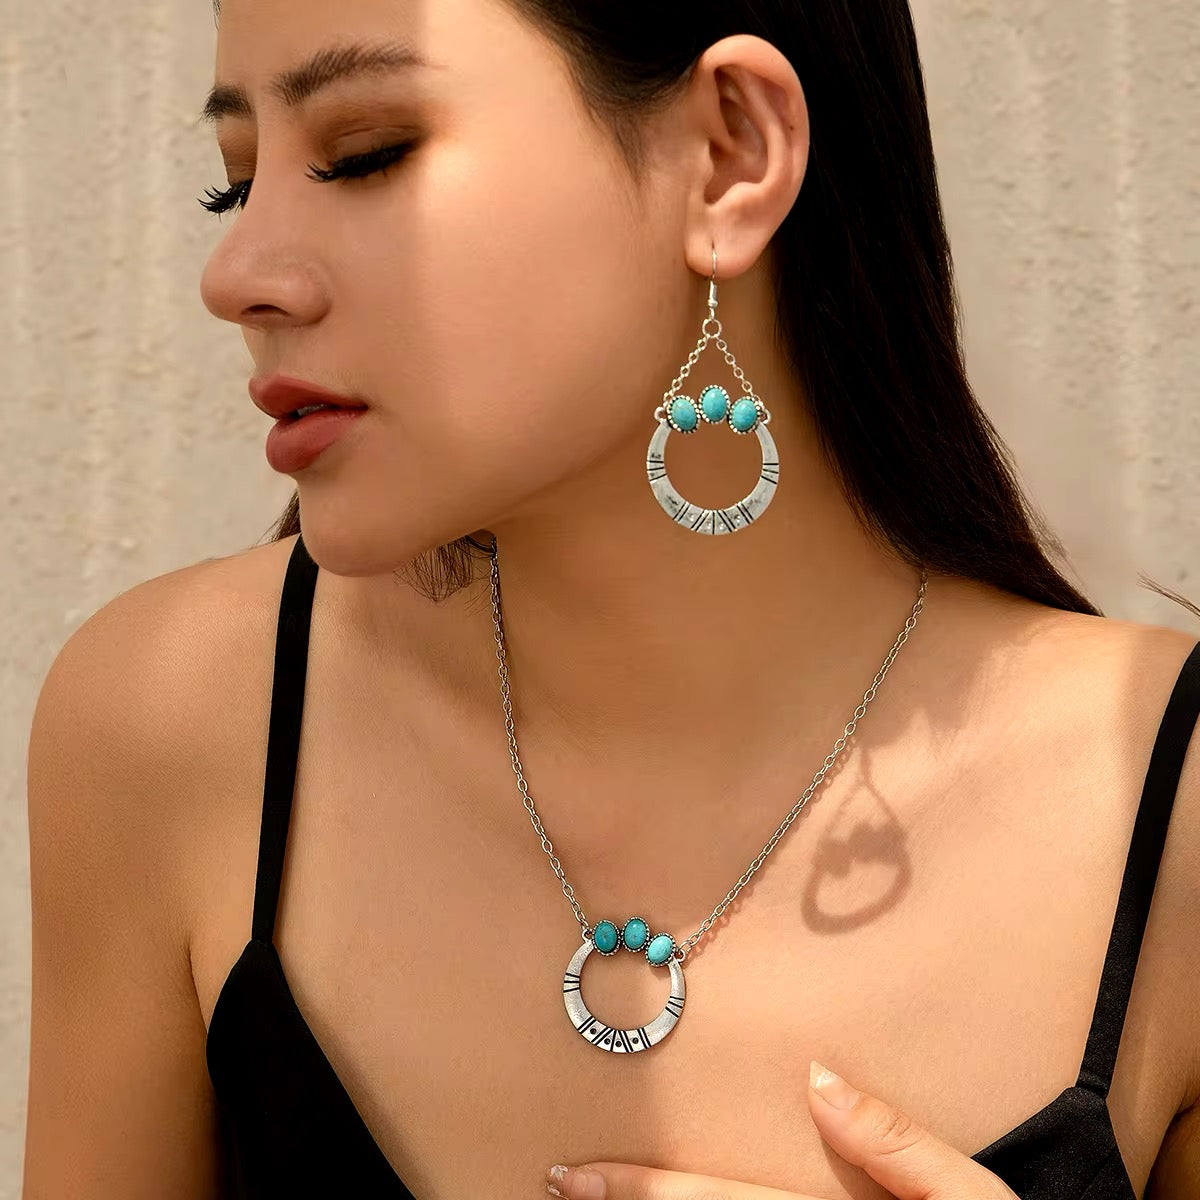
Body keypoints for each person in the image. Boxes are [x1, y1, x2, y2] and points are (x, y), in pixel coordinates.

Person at [22, 0, 1200, 1197]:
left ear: (729, 156)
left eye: (367, 153)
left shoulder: (1171, 818)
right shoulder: (174, 729)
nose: (237, 277)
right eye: (236, 184)